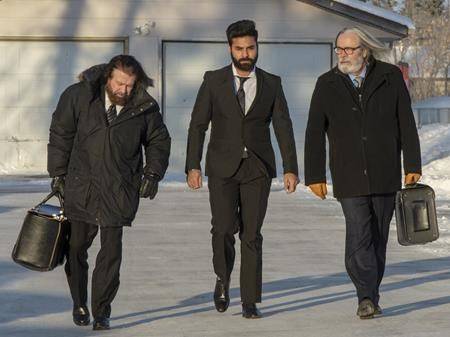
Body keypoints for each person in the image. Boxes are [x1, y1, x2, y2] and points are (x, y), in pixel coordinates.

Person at [304, 27, 421, 319]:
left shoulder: (390, 77)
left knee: (378, 236)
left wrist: (413, 165)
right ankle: (365, 296)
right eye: (339, 49)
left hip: (385, 170)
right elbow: (314, 132)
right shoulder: (326, 83)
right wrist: (314, 174)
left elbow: (406, 120)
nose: (343, 55)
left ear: (364, 50)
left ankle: (371, 292)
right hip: (348, 172)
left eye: (349, 49)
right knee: (359, 234)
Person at [48, 55, 171, 330]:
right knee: (77, 247)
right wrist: (57, 173)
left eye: (129, 85)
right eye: (119, 84)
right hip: (82, 186)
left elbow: (158, 141)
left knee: (111, 253)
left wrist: (152, 173)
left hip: (120, 188)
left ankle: (102, 311)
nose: (123, 91)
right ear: (107, 78)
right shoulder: (78, 96)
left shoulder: (144, 106)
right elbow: (61, 133)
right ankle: (79, 301)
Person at [185, 19, 299, 319]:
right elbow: (198, 125)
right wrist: (192, 165)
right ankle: (222, 278)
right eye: (239, 48)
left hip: (257, 168)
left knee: (251, 234)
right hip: (222, 167)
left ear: (257, 47)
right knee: (222, 228)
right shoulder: (213, 81)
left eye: (250, 47)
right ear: (230, 49)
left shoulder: (272, 83)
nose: (245, 53)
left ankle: (250, 299)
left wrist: (290, 168)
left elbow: (283, 127)